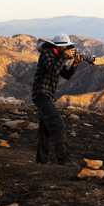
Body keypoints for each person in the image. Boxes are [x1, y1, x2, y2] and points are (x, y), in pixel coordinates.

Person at [32, 33, 83, 166]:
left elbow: (66, 75)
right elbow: (54, 70)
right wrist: (65, 56)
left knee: (45, 130)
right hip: (42, 95)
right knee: (58, 126)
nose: (68, 49)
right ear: (60, 47)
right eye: (66, 47)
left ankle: (41, 162)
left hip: (47, 96)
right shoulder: (46, 53)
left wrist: (74, 64)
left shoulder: (57, 56)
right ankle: (64, 160)